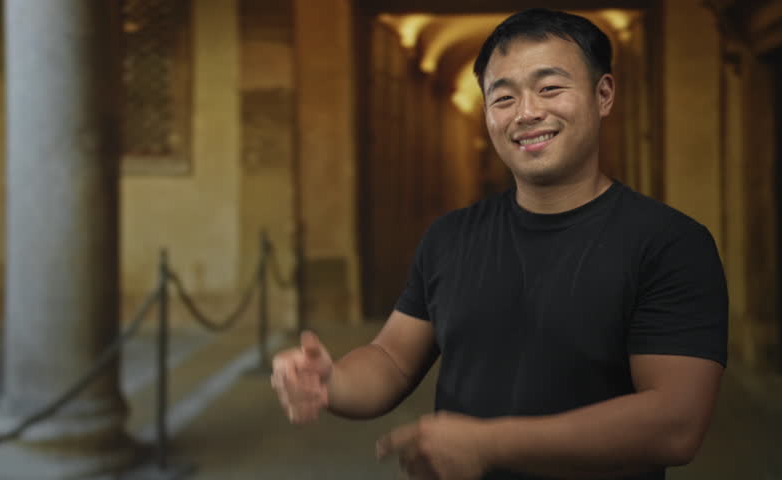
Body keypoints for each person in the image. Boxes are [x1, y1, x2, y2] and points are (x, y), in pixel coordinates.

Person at [271, 8, 727, 480]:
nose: (527, 112)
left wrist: (488, 445)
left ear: (603, 95)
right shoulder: (449, 237)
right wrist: (332, 382)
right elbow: (391, 360)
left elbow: (676, 423)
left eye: (550, 88)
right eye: (503, 97)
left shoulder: (670, 244)